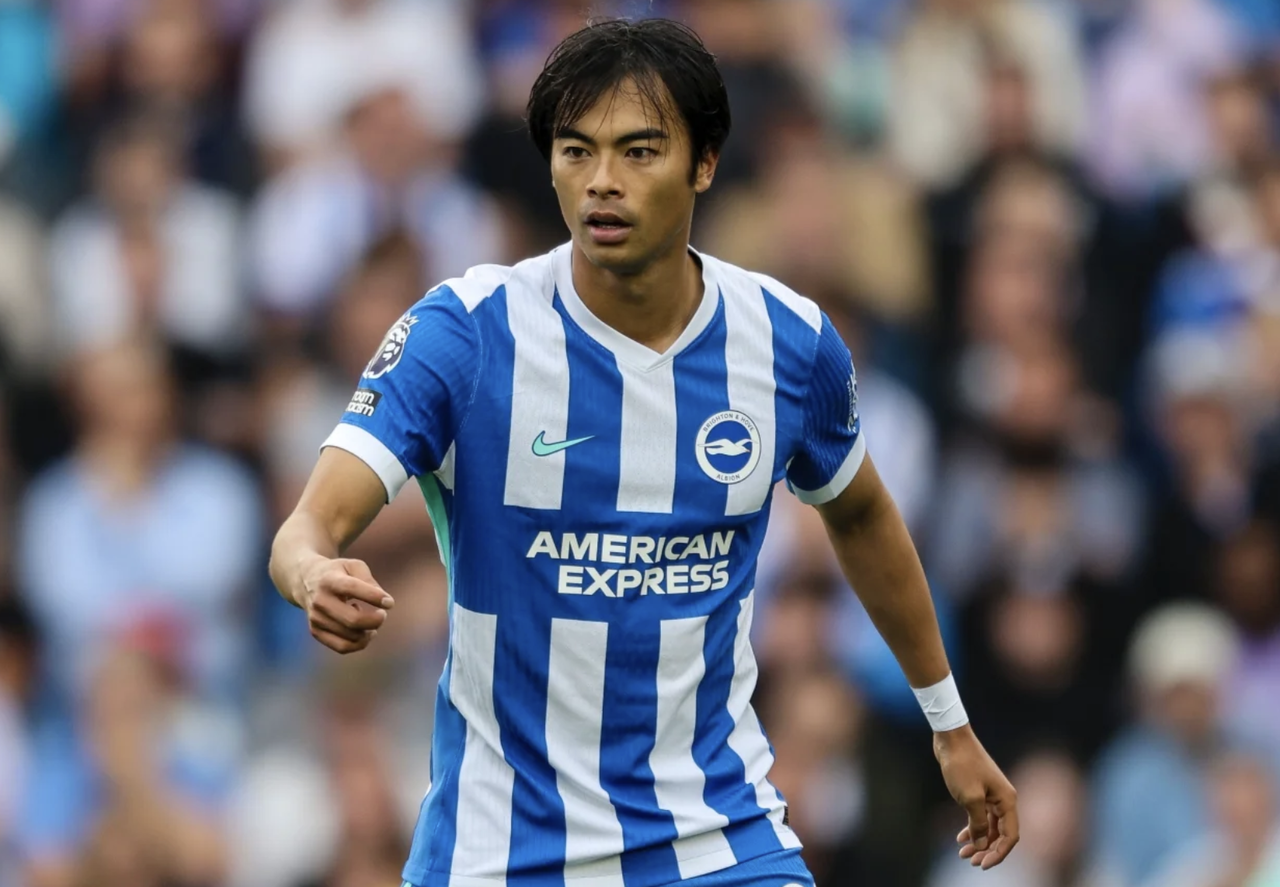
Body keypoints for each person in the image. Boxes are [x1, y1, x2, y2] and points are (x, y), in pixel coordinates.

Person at [270, 18, 1019, 887]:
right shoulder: (464, 334)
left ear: (704, 163)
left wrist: (948, 721)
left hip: (718, 838)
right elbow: (305, 527)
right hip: (501, 851)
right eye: (576, 151)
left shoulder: (787, 343)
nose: (602, 181)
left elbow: (860, 514)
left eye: (638, 151)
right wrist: (313, 573)